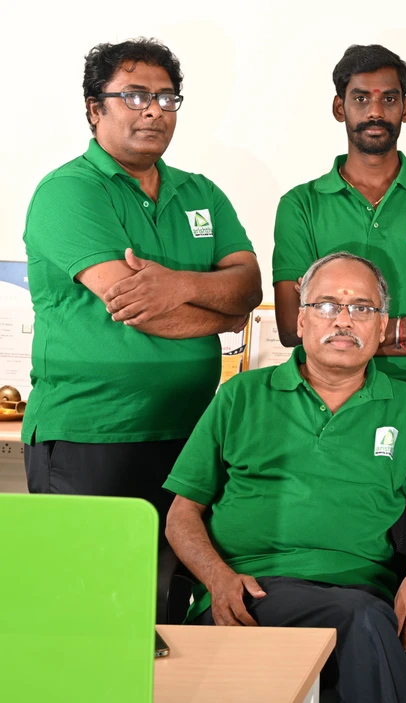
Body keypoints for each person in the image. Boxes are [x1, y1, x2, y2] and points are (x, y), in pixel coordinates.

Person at [164, 252, 406, 703]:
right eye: (327, 305)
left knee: (362, 619)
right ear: (301, 320)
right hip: (251, 594)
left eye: (362, 308)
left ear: (381, 327)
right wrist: (216, 577)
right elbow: (181, 514)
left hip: (360, 594)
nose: (343, 320)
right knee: (363, 621)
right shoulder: (240, 396)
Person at [21, 38, 261, 534]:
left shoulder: (201, 192)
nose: (154, 110)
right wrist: (227, 315)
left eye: (166, 98)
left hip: (192, 431)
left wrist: (179, 284)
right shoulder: (69, 191)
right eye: (134, 96)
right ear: (95, 109)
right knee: (93, 579)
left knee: (176, 575)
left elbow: (249, 286)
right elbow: (141, 309)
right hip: (91, 434)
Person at [273, 45, 406, 446]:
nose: (375, 111)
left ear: (405, 108)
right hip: (327, 405)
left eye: (389, 99)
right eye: (361, 98)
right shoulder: (301, 204)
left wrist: (341, 330)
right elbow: (292, 327)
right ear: (339, 107)